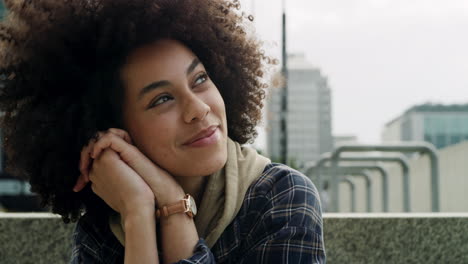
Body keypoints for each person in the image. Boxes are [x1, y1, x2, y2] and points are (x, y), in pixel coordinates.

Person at [0, 0, 326, 263]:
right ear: (117, 129)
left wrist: (173, 209)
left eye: (200, 79)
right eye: (163, 99)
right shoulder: (109, 221)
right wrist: (139, 213)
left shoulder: (281, 197)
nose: (198, 109)